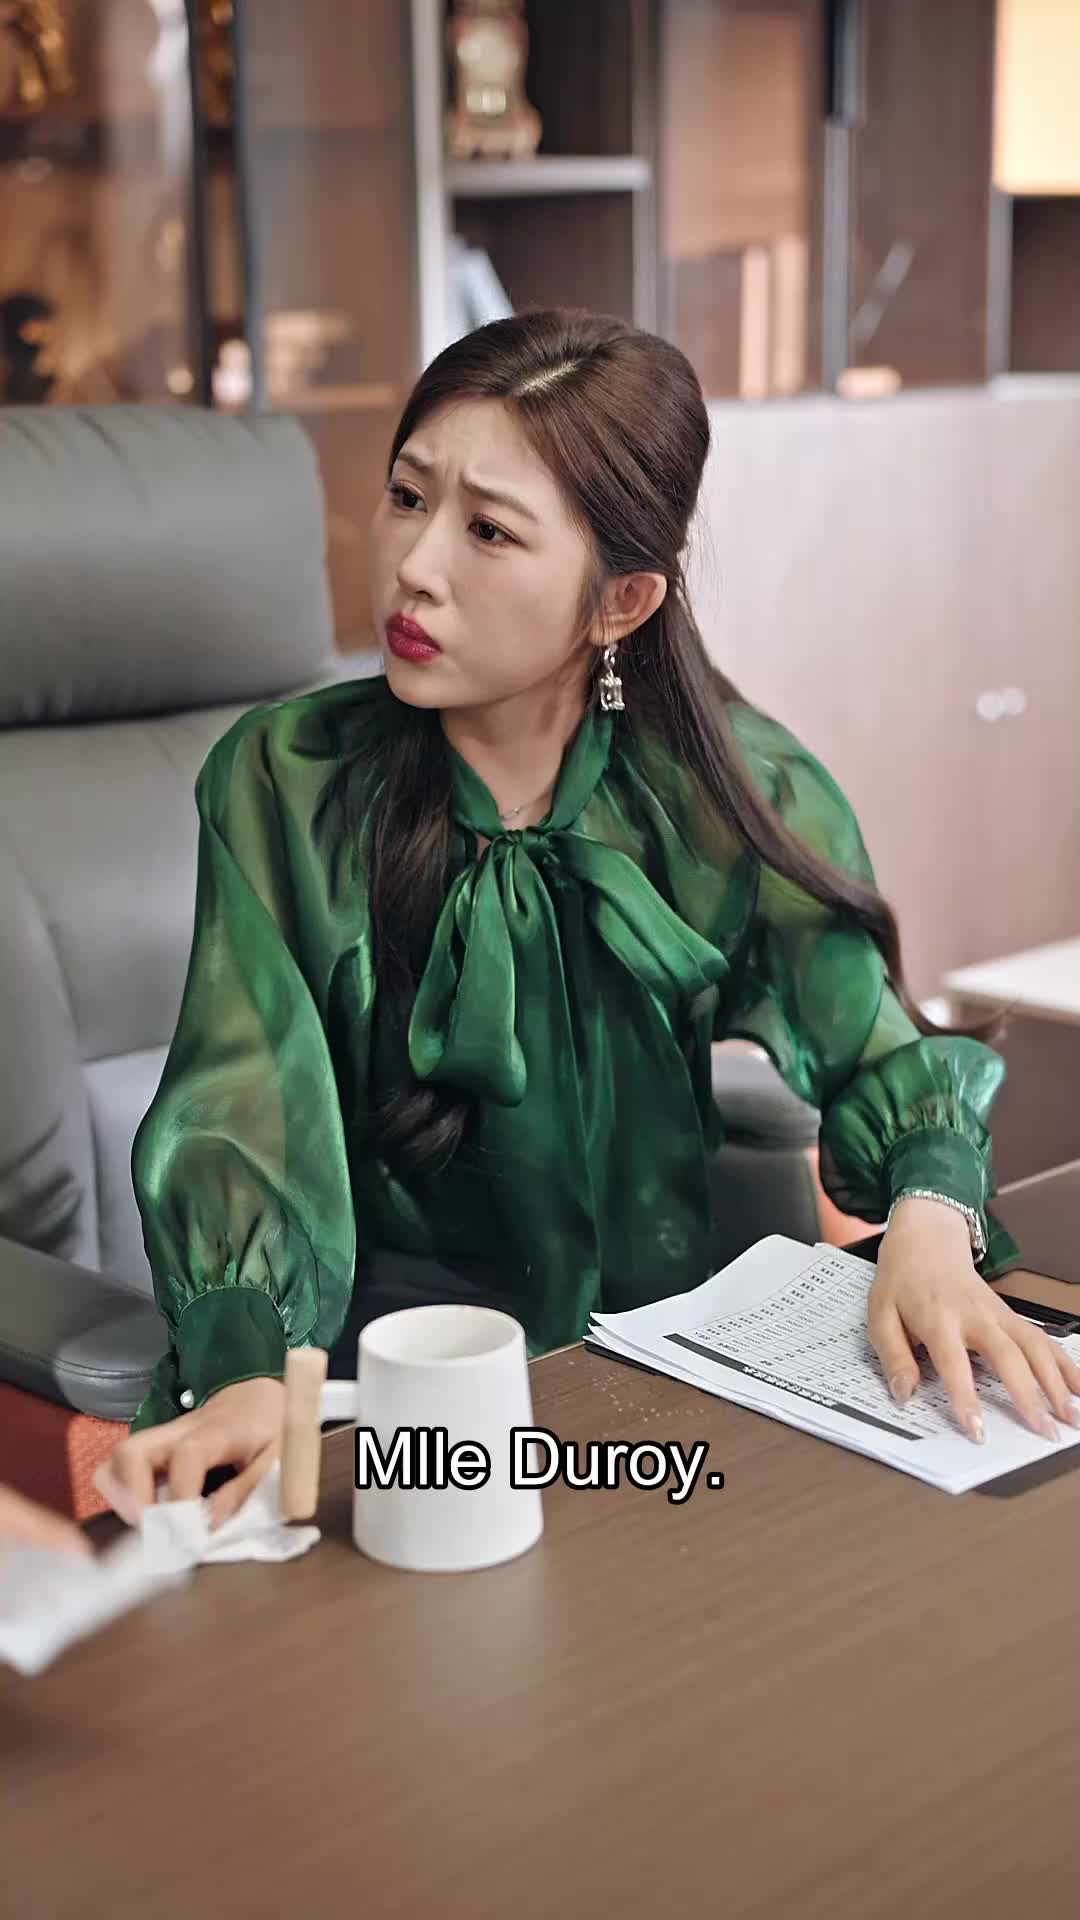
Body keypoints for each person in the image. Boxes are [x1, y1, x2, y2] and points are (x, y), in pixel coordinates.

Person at [95, 309, 1080, 1531]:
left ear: (621, 599)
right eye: (407, 497)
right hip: (393, 1392)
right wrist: (247, 1370)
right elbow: (239, 1113)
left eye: (488, 530)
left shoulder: (731, 789)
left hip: (662, 1377)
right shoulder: (285, 780)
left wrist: (929, 1226)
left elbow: (876, 1046)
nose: (414, 565)